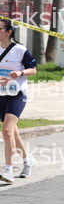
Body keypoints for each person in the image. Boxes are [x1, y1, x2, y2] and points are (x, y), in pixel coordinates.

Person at [0, 19, 37, 183]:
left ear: (9, 32)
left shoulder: (20, 50)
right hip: (1, 94)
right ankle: (27, 160)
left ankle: (8, 170)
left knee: (7, 130)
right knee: (12, 131)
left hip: (17, 94)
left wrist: (20, 73)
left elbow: (33, 70)